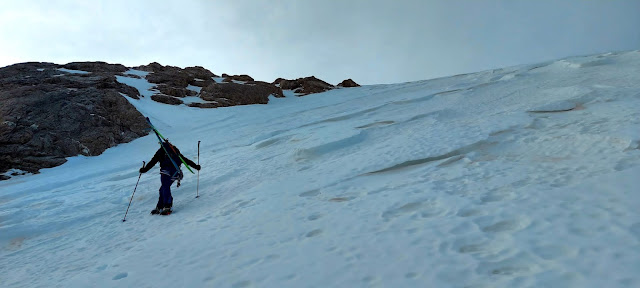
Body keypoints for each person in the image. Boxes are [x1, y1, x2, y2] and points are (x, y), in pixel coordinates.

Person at [139, 140, 200, 215]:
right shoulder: (174, 150)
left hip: (166, 171)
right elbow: (185, 160)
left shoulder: (161, 151)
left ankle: (167, 205)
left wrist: (144, 169)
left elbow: (153, 161)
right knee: (164, 188)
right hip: (176, 173)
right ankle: (161, 206)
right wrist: (196, 166)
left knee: (164, 187)